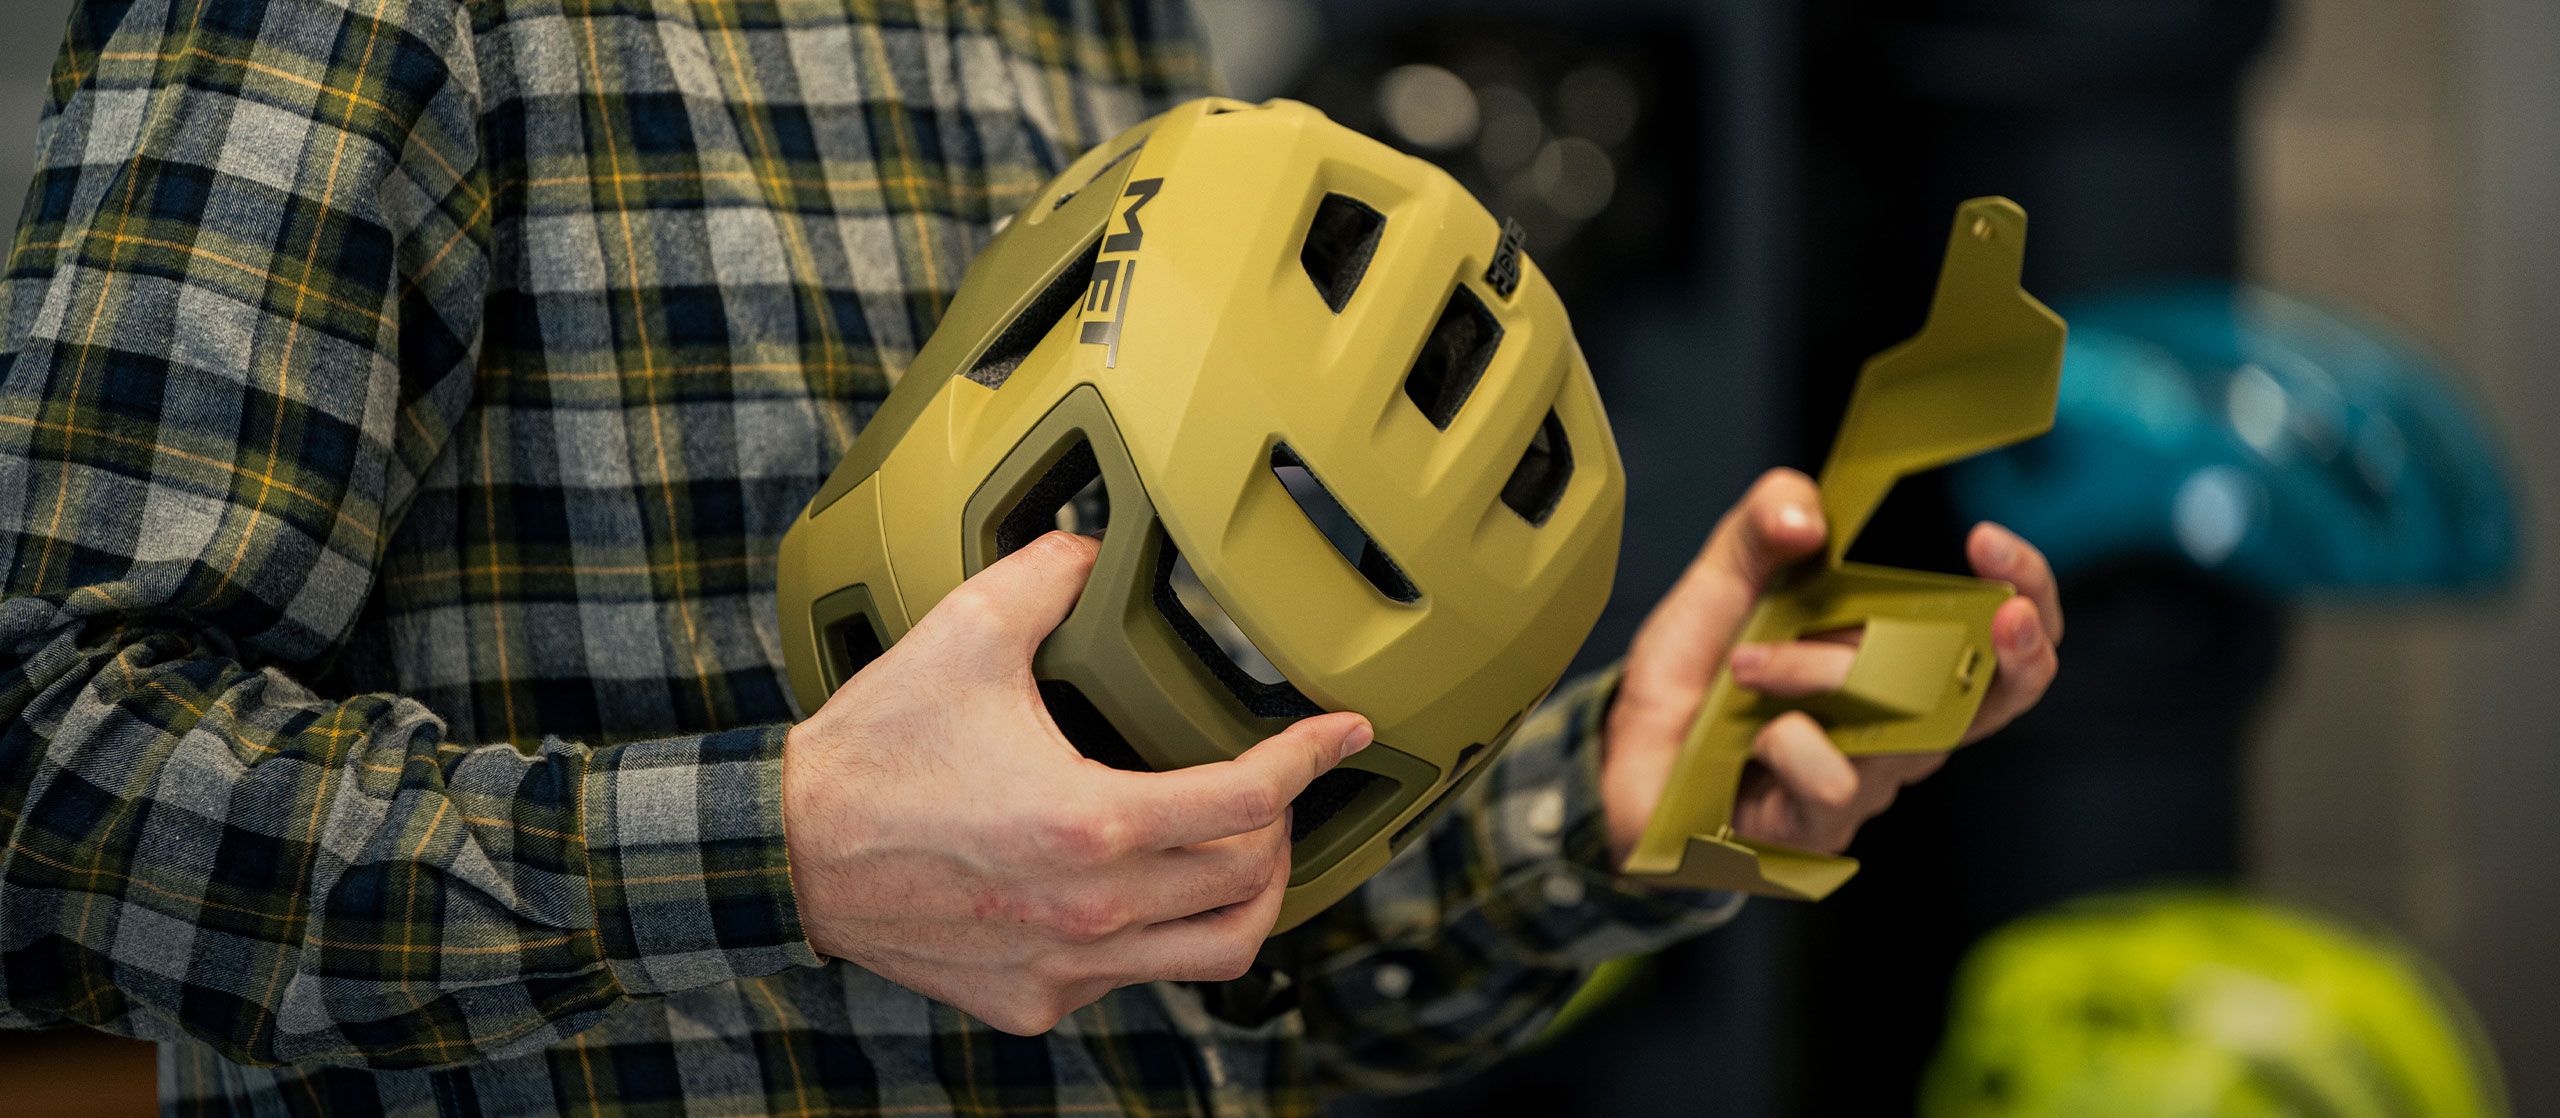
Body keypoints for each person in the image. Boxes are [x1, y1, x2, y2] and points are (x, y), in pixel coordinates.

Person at [0, 1, 2062, 1114]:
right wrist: (788, 852)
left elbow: (1179, 981)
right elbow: (41, 784)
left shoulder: (1098, 34)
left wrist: (1606, 801)